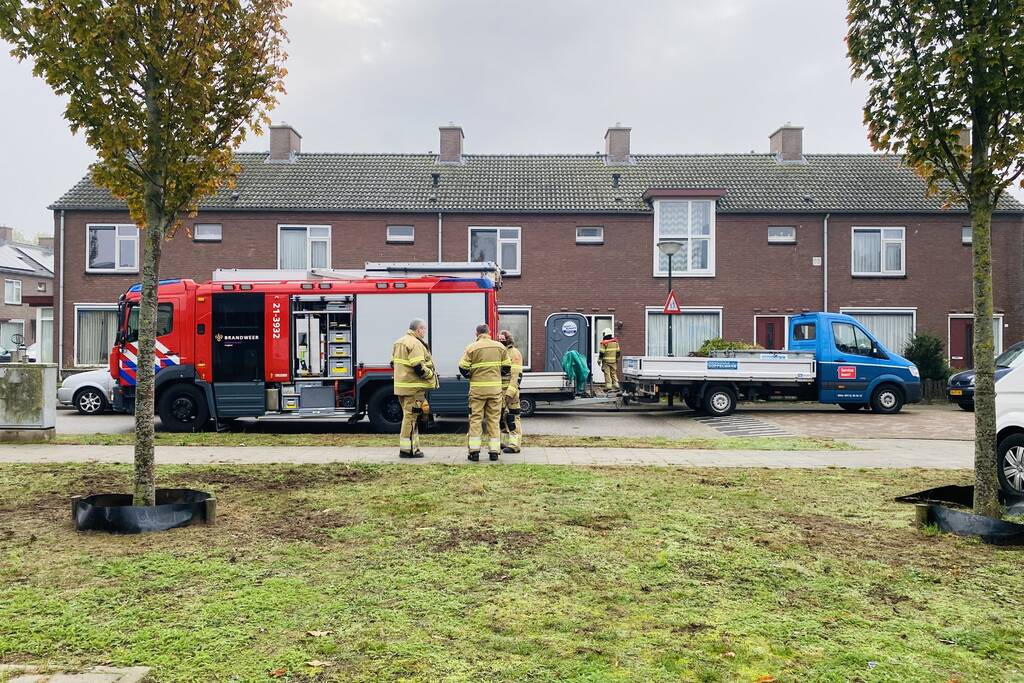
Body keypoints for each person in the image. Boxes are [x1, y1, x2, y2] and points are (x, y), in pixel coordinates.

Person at [459, 323, 510, 461]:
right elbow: (507, 367)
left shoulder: (471, 347)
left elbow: (462, 367)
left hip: (477, 391)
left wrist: (471, 376)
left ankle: (474, 452)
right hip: (495, 390)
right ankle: (494, 452)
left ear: (477, 333)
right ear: (489, 332)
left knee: (475, 420)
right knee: (494, 420)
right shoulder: (500, 347)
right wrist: (497, 376)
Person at [391, 318, 438, 458]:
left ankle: (413, 448)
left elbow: (393, 363)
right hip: (413, 388)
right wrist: (430, 375)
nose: (425, 332)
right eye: (424, 329)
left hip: (402, 388)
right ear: (419, 329)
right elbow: (418, 366)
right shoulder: (415, 343)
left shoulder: (399, 342)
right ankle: (407, 450)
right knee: (411, 418)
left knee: (409, 417)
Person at [498, 329, 524, 453]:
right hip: (499, 392)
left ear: (509, 339)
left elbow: (516, 376)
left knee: (512, 419)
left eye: (503, 339)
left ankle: (515, 446)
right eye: (499, 339)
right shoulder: (499, 352)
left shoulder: (515, 353)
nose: (501, 341)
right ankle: (504, 442)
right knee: (501, 420)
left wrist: (510, 393)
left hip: (510, 393)